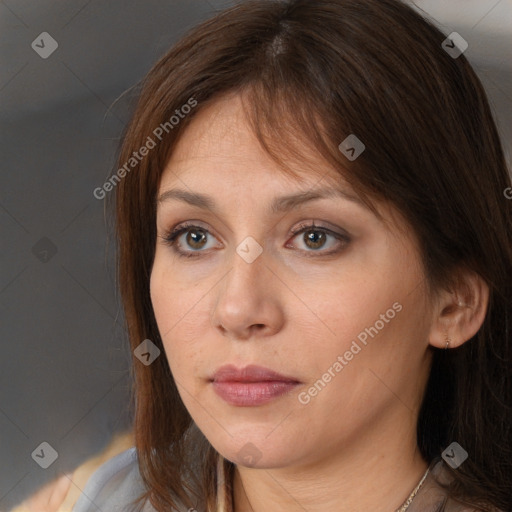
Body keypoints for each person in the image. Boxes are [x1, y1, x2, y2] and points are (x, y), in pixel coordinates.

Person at [72, 0, 512, 511]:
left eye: (315, 238)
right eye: (194, 237)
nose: (236, 310)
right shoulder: (108, 498)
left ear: (454, 304)